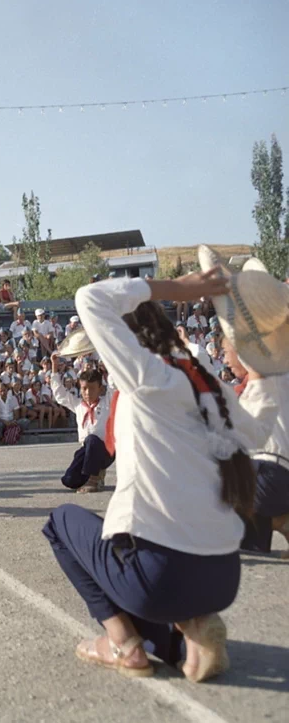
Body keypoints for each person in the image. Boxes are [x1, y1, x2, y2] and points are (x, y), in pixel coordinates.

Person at [42, 270, 279, 684]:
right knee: (130, 556)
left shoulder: (147, 376)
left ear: (125, 338)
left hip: (162, 578)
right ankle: (191, 629)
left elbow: (90, 298)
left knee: (61, 523)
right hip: (224, 578)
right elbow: (258, 431)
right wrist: (265, 372)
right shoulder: (210, 387)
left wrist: (181, 288)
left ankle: (122, 644)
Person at [222, 337, 289, 557]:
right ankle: (272, 528)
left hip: (267, 475)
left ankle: (280, 520)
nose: (224, 359)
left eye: (226, 352)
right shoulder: (251, 390)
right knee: (251, 550)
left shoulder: (273, 378)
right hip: (264, 475)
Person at [51, 353, 115, 493]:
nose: (87, 393)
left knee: (92, 439)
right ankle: (93, 475)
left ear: (100, 389)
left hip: (105, 451)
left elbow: (113, 386)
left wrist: (109, 366)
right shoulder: (78, 405)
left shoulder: (107, 403)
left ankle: (94, 479)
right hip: (86, 451)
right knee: (69, 480)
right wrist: (55, 368)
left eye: (92, 389)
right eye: (84, 388)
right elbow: (60, 394)